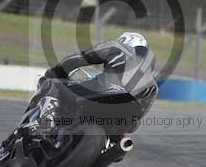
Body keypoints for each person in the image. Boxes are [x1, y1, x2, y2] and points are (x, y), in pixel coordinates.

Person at [27, 32, 158, 134]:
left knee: (54, 84)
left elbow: (80, 58)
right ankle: (112, 146)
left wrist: (56, 72)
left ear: (125, 41)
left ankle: (45, 123)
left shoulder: (117, 47)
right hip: (123, 119)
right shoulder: (153, 85)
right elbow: (135, 123)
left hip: (103, 91)